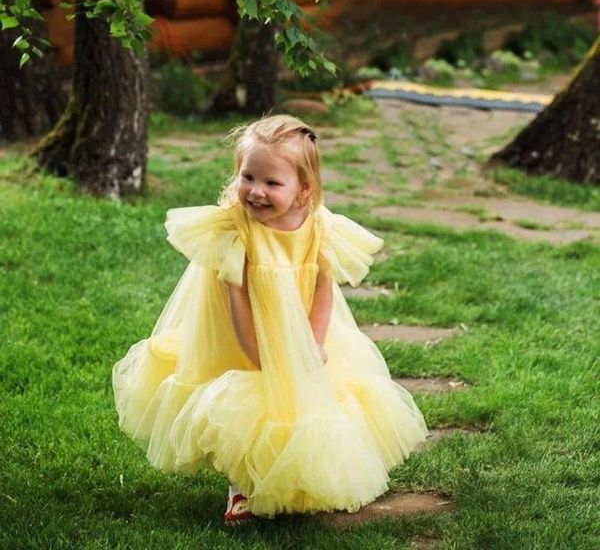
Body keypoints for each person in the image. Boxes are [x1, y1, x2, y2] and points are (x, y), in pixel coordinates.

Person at [112, 114, 428, 525]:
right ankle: (241, 485)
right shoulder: (235, 230)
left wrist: (312, 343)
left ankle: (299, 476)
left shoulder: (318, 226)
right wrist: (257, 353)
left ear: (303, 190)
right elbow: (236, 297)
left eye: (272, 183)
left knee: (305, 400)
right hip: (238, 332)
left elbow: (323, 286)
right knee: (239, 403)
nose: (256, 192)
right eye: (248, 177)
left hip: (297, 326)